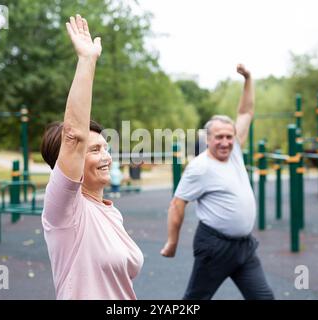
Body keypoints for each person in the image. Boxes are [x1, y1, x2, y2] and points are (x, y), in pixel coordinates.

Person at [40, 14, 143, 300]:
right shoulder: (65, 210)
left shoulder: (110, 211)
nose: (107, 156)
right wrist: (87, 60)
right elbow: (73, 137)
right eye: (95, 150)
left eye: (105, 147)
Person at [160, 64, 274, 300]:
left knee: (264, 298)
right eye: (219, 137)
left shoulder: (235, 151)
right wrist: (172, 242)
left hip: (244, 247)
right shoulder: (200, 167)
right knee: (195, 300)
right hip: (215, 247)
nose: (225, 142)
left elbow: (245, 113)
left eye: (229, 136)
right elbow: (177, 204)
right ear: (208, 138)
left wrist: (249, 79)